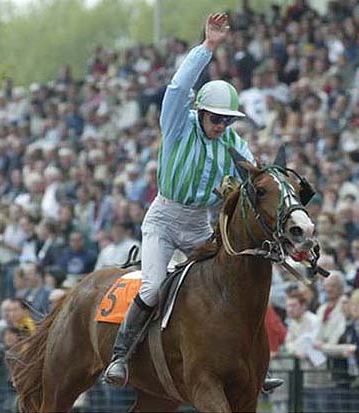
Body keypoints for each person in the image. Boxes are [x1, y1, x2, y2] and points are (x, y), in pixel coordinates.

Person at [103, 13, 273, 392]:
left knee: (235, 283)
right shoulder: (178, 124)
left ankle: (252, 363)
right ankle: (120, 355)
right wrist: (207, 47)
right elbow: (179, 86)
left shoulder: (232, 142)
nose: (221, 126)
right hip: (163, 220)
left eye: (227, 121)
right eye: (216, 119)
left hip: (200, 225)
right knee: (152, 288)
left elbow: (255, 175)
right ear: (201, 111)